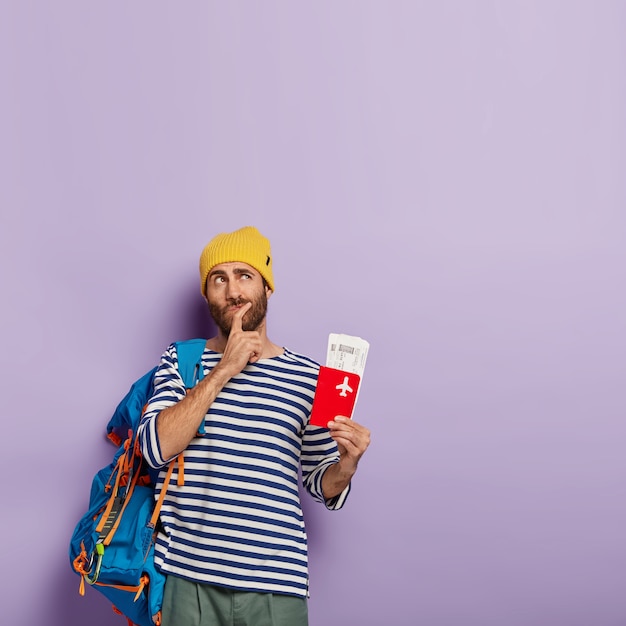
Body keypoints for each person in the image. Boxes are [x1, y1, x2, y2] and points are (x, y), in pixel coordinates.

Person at [138, 226, 371, 626]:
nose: (233, 292)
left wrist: (347, 464)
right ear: (206, 295)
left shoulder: (310, 378)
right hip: (188, 580)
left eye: (245, 275)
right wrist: (223, 370)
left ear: (266, 287)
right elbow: (154, 448)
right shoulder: (181, 361)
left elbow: (321, 483)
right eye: (219, 279)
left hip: (276, 586)